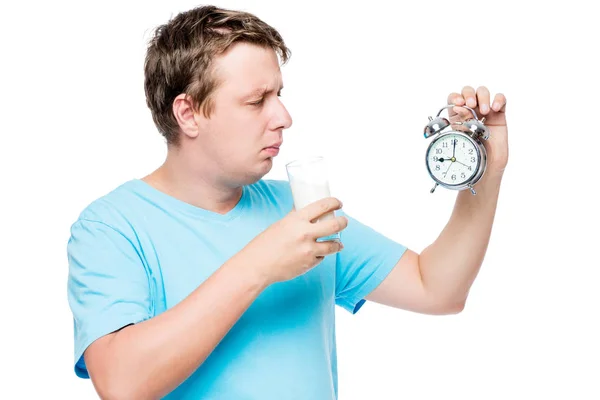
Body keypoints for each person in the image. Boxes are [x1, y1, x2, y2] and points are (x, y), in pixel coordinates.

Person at [66, 5, 508, 399]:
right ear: (189, 114)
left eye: (279, 94)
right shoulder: (111, 226)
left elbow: (438, 289)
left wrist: (485, 174)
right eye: (257, 101)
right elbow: (121, 384)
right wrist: (257, 265)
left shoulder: (298, 208)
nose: (283, 118)